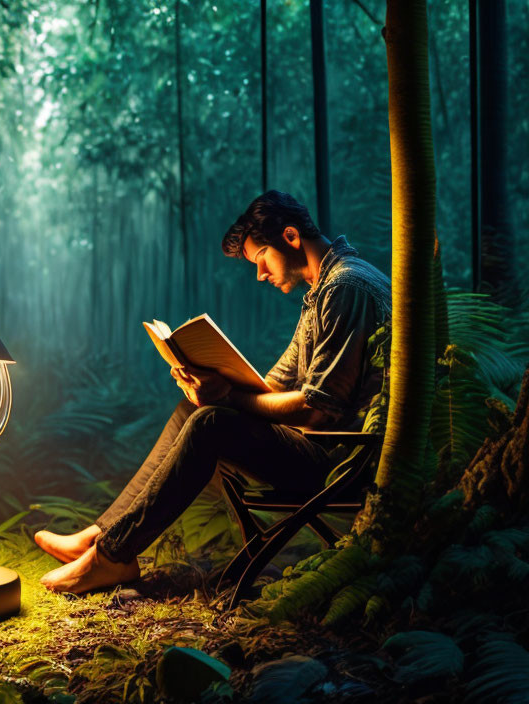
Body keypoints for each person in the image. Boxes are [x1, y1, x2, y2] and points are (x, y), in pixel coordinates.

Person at [36, 191, 392, 594]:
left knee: (211, 423)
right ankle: (100, 537)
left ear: (290, 236)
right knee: (190, 412)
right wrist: (206, 381)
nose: (260, 274)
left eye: (261, 259)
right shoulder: (326, 289)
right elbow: (274, 384)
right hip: (324, 450)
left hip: (345, 462)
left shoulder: (347, 288)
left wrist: (227, 399)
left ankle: (113, 557)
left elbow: (318, 409)